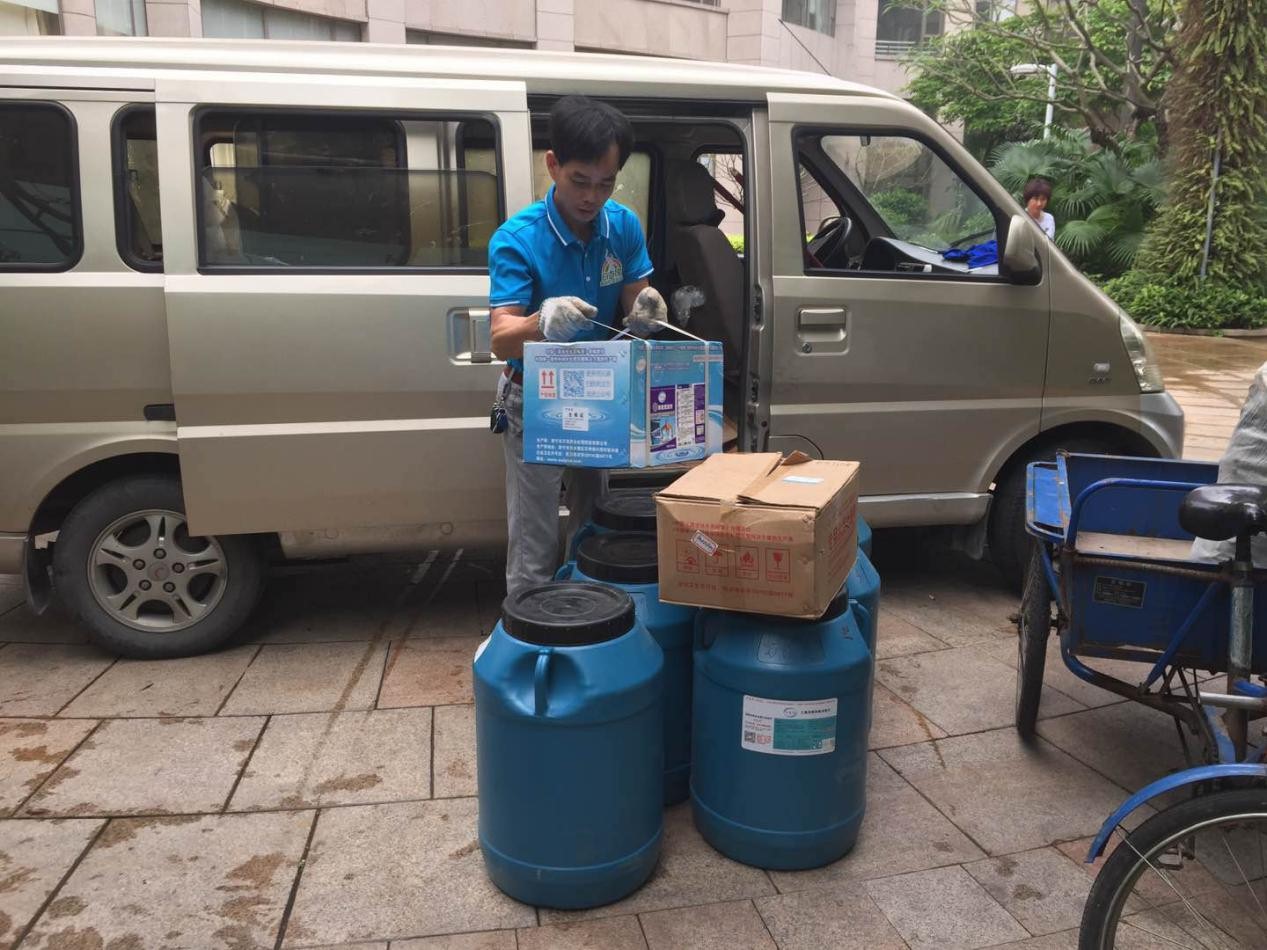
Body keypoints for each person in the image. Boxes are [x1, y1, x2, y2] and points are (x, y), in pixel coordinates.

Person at [488, 95, 668, 597]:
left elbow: (636, 300)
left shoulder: (622, 226)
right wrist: (541, 322)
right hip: (535, 396)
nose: (592, 197)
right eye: (580, 181)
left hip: (598, 389)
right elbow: (500, 337)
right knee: (535, 540)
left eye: (606, 183)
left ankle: (586, 617)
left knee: (595, 524)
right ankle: (529, 628)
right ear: (553, 165)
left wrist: (648, 311)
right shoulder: (518, 239)